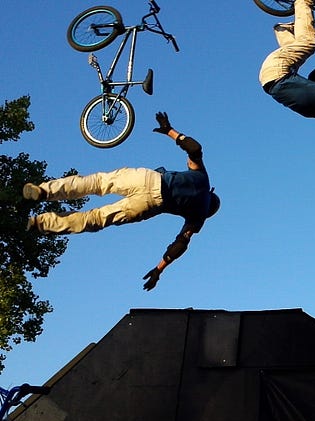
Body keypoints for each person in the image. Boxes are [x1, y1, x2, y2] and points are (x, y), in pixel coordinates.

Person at [22, 112, 220, 291]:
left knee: (97, 183)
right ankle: (39, 223)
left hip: (148, 179)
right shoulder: (198, 218)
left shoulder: (203, 179)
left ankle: (42, 191)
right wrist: (159, 270)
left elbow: (195, 149)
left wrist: (170, 131)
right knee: (96, 219)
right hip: (149, 206)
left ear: (211, 193)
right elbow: (180, 245)